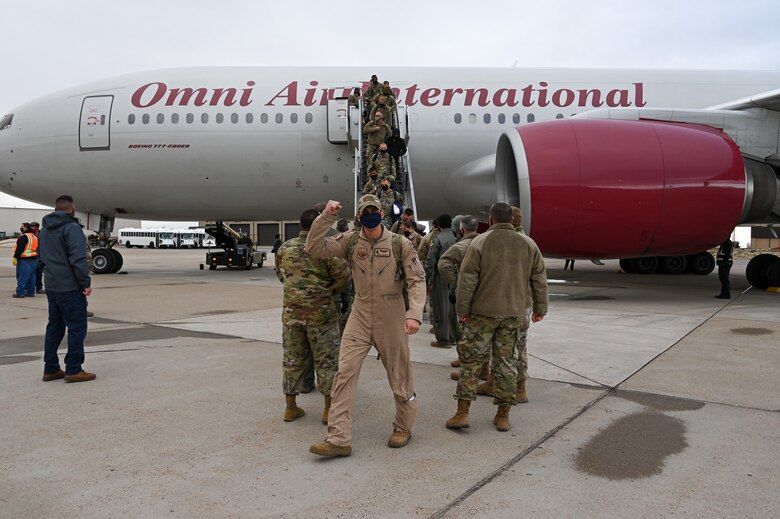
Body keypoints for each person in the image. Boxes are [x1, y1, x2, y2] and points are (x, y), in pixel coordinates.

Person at [305, 194, 426, 457]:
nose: (370, 214)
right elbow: (314, 247)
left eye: (374, 210)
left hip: (391, 314)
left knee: (399, 375)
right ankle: (338, 439)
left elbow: (417, 280)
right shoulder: (350, 241)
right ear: (359, 217)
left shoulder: (399, 244)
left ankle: (403, 427)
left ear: (381, 214)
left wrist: (414, 314)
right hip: (360, 313)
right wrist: (326, 216)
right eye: (365, 211)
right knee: (344, 373)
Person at [446, 203, 548, 432]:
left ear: (490, 220)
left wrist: (463, 310)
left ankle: (462, 413)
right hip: (513, 314)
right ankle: (503, 416)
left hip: (482, 314)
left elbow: (467, 279)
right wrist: (541, 308)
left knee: (471, 363)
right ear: (512, 220)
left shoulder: (479, 243)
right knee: (506, 364)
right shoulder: (528, 244)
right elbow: (539, 279)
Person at [275, 209, 350, 424]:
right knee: (327, 362)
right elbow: (344, 276)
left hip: (292, 316)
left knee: (292, 360)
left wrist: (298, 294)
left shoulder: (285, 248)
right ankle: (328, 409)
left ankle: (291, 407)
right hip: (322, 316)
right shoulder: (324, 248)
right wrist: (326, 292)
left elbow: (282, 275)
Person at [38, 195, 94, 383]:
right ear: (72, 209)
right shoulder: (72, 229)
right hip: (70, 287)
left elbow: (41, 258)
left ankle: (51, 368)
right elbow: (78, 259)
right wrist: (85, 283)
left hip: (52, 286)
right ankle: (73, 369)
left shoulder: (44, 231)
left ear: (55, 210)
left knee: (54, 327)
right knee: (77, 327)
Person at [438, 215, 480, 375]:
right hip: (482, 295)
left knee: (462, 330)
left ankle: (467, 367)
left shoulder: (462, 245)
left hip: (462, 295)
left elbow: (443, 264)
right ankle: (480, 369)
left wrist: (456, 283)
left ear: (461, 230)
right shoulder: (485, 242)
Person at [426, 214, 458, 348]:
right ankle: (453, 337)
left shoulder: (437, 239)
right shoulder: (457, 238)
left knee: (440, 308)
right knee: (453, 309)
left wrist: (427, 279)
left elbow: (430, 261)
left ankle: (443, 339)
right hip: (456, 277)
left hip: (440, 277)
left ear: (439, 225)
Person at [13, 222, 38, 298]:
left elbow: (19, 248)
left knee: (22, 276)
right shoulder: (34, 237)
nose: (21, 228)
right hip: (33, 259)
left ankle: (20, 292)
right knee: (32, 276)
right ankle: (31, 292)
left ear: (26, 227)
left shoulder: (24, 237)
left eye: (22, 227)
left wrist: (15, 257)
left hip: (24, 260)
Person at [30, 222, 45, 294]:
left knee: (39, 273)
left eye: (33, 227)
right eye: (31, 226)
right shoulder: (29, 234)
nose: (32, 228)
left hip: (40, 256)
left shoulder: (42, 234)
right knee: (30, 273)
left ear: (37, 227)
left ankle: (39, 288)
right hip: (31, 256)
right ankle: (30, 288)